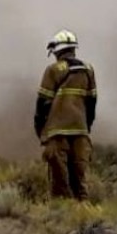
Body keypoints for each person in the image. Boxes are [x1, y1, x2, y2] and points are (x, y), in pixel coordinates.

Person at [34, 29, 98, 200]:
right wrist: (86, 126)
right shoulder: (88, 69)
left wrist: (40, 129)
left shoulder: (53, 70)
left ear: (57, 50)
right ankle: (82, 212)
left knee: (59, 179)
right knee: (80, 177)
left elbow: (43, 104)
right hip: (80, 131)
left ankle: (62, 211)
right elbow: (92, 102)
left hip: (57, 132)